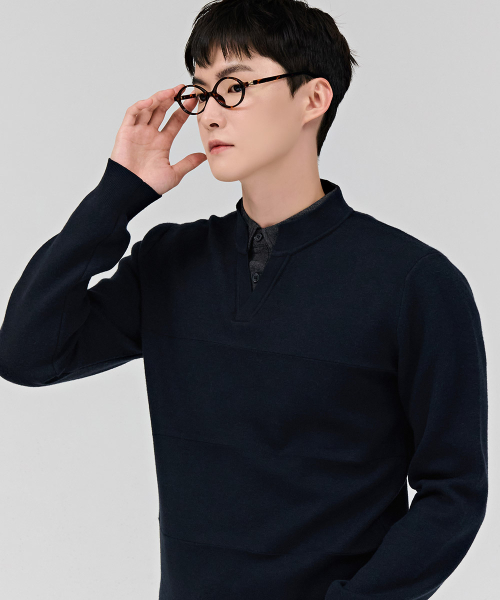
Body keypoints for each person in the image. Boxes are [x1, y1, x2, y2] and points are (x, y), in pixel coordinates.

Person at [0, 1, 488, 599]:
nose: (209, 113)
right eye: (200, 91)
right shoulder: (170, 262)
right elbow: (27, 353)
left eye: (234, 87)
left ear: (313, 98)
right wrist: (117, 196)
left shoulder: (415, 282)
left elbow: (453, 491)